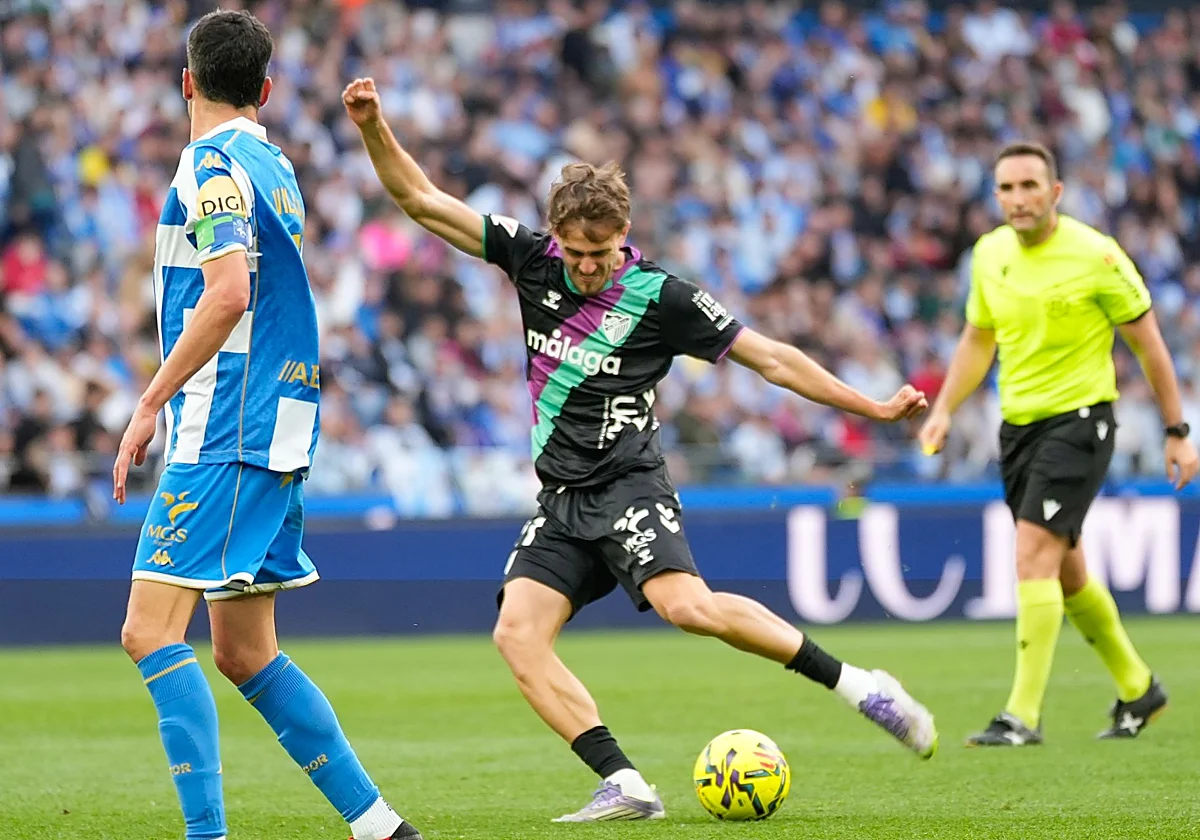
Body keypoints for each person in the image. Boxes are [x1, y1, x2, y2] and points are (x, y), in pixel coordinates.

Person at [343, 76, 938, 823]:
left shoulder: (664, 297)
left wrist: (871, 404)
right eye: (575, 252)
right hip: (561, 500)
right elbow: (422, 201)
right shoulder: (531, 260)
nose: (587, 265)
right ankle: (625, 783)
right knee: (517, 634)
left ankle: (860, 684)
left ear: (623, 235)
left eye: (601, 252)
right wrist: (372, 125)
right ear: (555, 235)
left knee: (686, 608)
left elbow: (774, 359)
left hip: (629, 486)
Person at [112, 14, 421, 840]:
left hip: (226, 428)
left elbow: (227, 294)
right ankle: (382, 827)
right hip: (279, 423)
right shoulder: (274, 162)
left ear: (187, 82)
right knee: (245, 652)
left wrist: (149, 402)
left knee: (148, 633)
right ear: (267, 91)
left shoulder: (211, 163)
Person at [918, 141, 1199, 747]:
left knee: (1030, 556)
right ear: (996, 197)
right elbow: (976, 339)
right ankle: (1138, 687)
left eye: (1029, 186)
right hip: (1018, 429)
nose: (1018, 199)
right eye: (1007, 189)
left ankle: (1021, 715)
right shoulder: (989, 255)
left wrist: (1178, 432)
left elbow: (1149, 345)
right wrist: (944, 410)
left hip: (1081, 421)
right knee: (1066, 572)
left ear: (1055, 193)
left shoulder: (1097, 255)